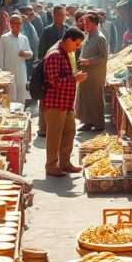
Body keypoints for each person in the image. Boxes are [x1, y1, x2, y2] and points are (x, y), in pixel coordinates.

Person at [42, 27, 87, 176]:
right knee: (54, 136)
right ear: (69, 40)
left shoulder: (64, 52)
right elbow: (53, 81)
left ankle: (65, 162)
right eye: (77, 44)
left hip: (65, 102)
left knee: (69, 132)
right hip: (55, 103)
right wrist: (74, 79)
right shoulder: (55, 55)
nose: (77, 48)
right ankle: (51, 165)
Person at [36, 5, 68, 137]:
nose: (61, 17)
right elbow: (41, 50)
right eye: (59, 15)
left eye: (63, 15)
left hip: (63, 67)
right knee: (45, 97)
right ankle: (43, 127)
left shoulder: (67, 29)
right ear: (54, 16)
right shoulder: (47, 30)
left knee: (60, 97)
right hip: (49, 67)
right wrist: (42, 67)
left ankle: (60, 126)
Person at [76, 14, 110, 132]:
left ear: (95, 24)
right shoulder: (88, 37)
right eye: (84, 23)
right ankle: (88, 122)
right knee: (85, 98)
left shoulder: (100, 38)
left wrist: (89, 61)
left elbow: (104, 57)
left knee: (95, 99)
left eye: (87, 23)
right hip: (85, 72)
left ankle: (99, 124)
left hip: (96, 74)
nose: (85, 25)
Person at [0, 14, 33, 104]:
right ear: (10, 24)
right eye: (16, 23)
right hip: (9, 75)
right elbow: (0, 59)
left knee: (21, 102)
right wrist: (2, 75)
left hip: (21, 75)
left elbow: (31, 53)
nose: (18, 25)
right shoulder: (4, 38)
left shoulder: (23, 38)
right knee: (11, 101)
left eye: (20, 23)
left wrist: (25, 53)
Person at [19, 6, 40, 76]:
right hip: (23, 57)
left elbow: (35, 42)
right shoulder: (20, 26)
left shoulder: (30, 25)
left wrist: (36, 57)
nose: (31, 16)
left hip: (31, 56)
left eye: (32, 14)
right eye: (29, 14)